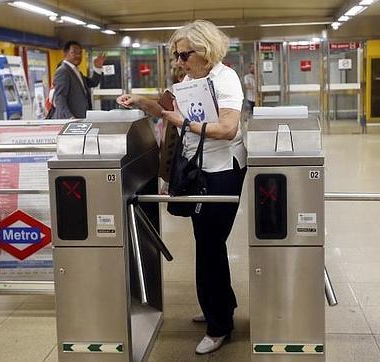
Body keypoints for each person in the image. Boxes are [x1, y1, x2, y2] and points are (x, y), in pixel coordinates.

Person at [116, 20, 245, 355]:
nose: (179, 61)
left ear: (205, 50)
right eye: (176, 55)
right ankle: (221, 304)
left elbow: (228, 128)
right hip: (196, 171)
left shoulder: (224, 78)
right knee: (208, 243)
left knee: (209, 246)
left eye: (184, 54)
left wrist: (184, 123)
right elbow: (165, 109)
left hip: (221, 171)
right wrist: (142, 102)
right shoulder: (190, 80)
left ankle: (219, 326)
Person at [52, 40, 106, 119]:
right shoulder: (63, 71)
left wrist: (97, 68)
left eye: (80, 53)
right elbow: (60, 97)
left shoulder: (76, 71)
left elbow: (93, 83)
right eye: (73, 52)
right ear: (65, 53)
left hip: (81, 117)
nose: (78, 55)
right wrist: (69, 117)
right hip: (72, 119)